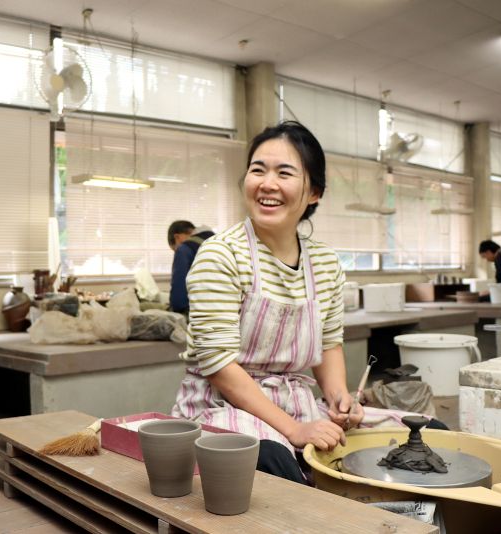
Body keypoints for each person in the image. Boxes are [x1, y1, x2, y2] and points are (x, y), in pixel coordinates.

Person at [171, 121, 443, 485]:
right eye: (257, 170)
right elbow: (220, 367)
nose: (267, 184)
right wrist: (296, 431)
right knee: (272, 459)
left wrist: (339, 401)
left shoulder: (325, 263)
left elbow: (328, 343)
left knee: (429, 433)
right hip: (222, 406)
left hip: (295, 403)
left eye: (284, 173)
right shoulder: (220, 255)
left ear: (313, 192)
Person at [167, 220, 215, 316]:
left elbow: (178, 298)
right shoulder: (217, 242)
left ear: (177, 237)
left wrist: (175, 310)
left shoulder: (184, 249)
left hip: (201, 314)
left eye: (174, 248)